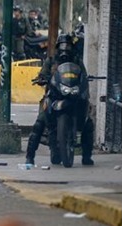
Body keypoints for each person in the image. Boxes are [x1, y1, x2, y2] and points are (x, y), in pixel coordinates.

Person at [24, 34, 92, 166]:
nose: (65, 49)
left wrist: (85, 82)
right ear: (57, 48)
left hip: (74, 96)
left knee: (88, 123)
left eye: (68, 46)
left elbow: (83, 76)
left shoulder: (77, 61)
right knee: (39, 123)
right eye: (62, 46)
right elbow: (42, 74)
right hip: (53, 96)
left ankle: (87, 156)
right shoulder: (50, 61)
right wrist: (42, 78)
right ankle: (29, 157)